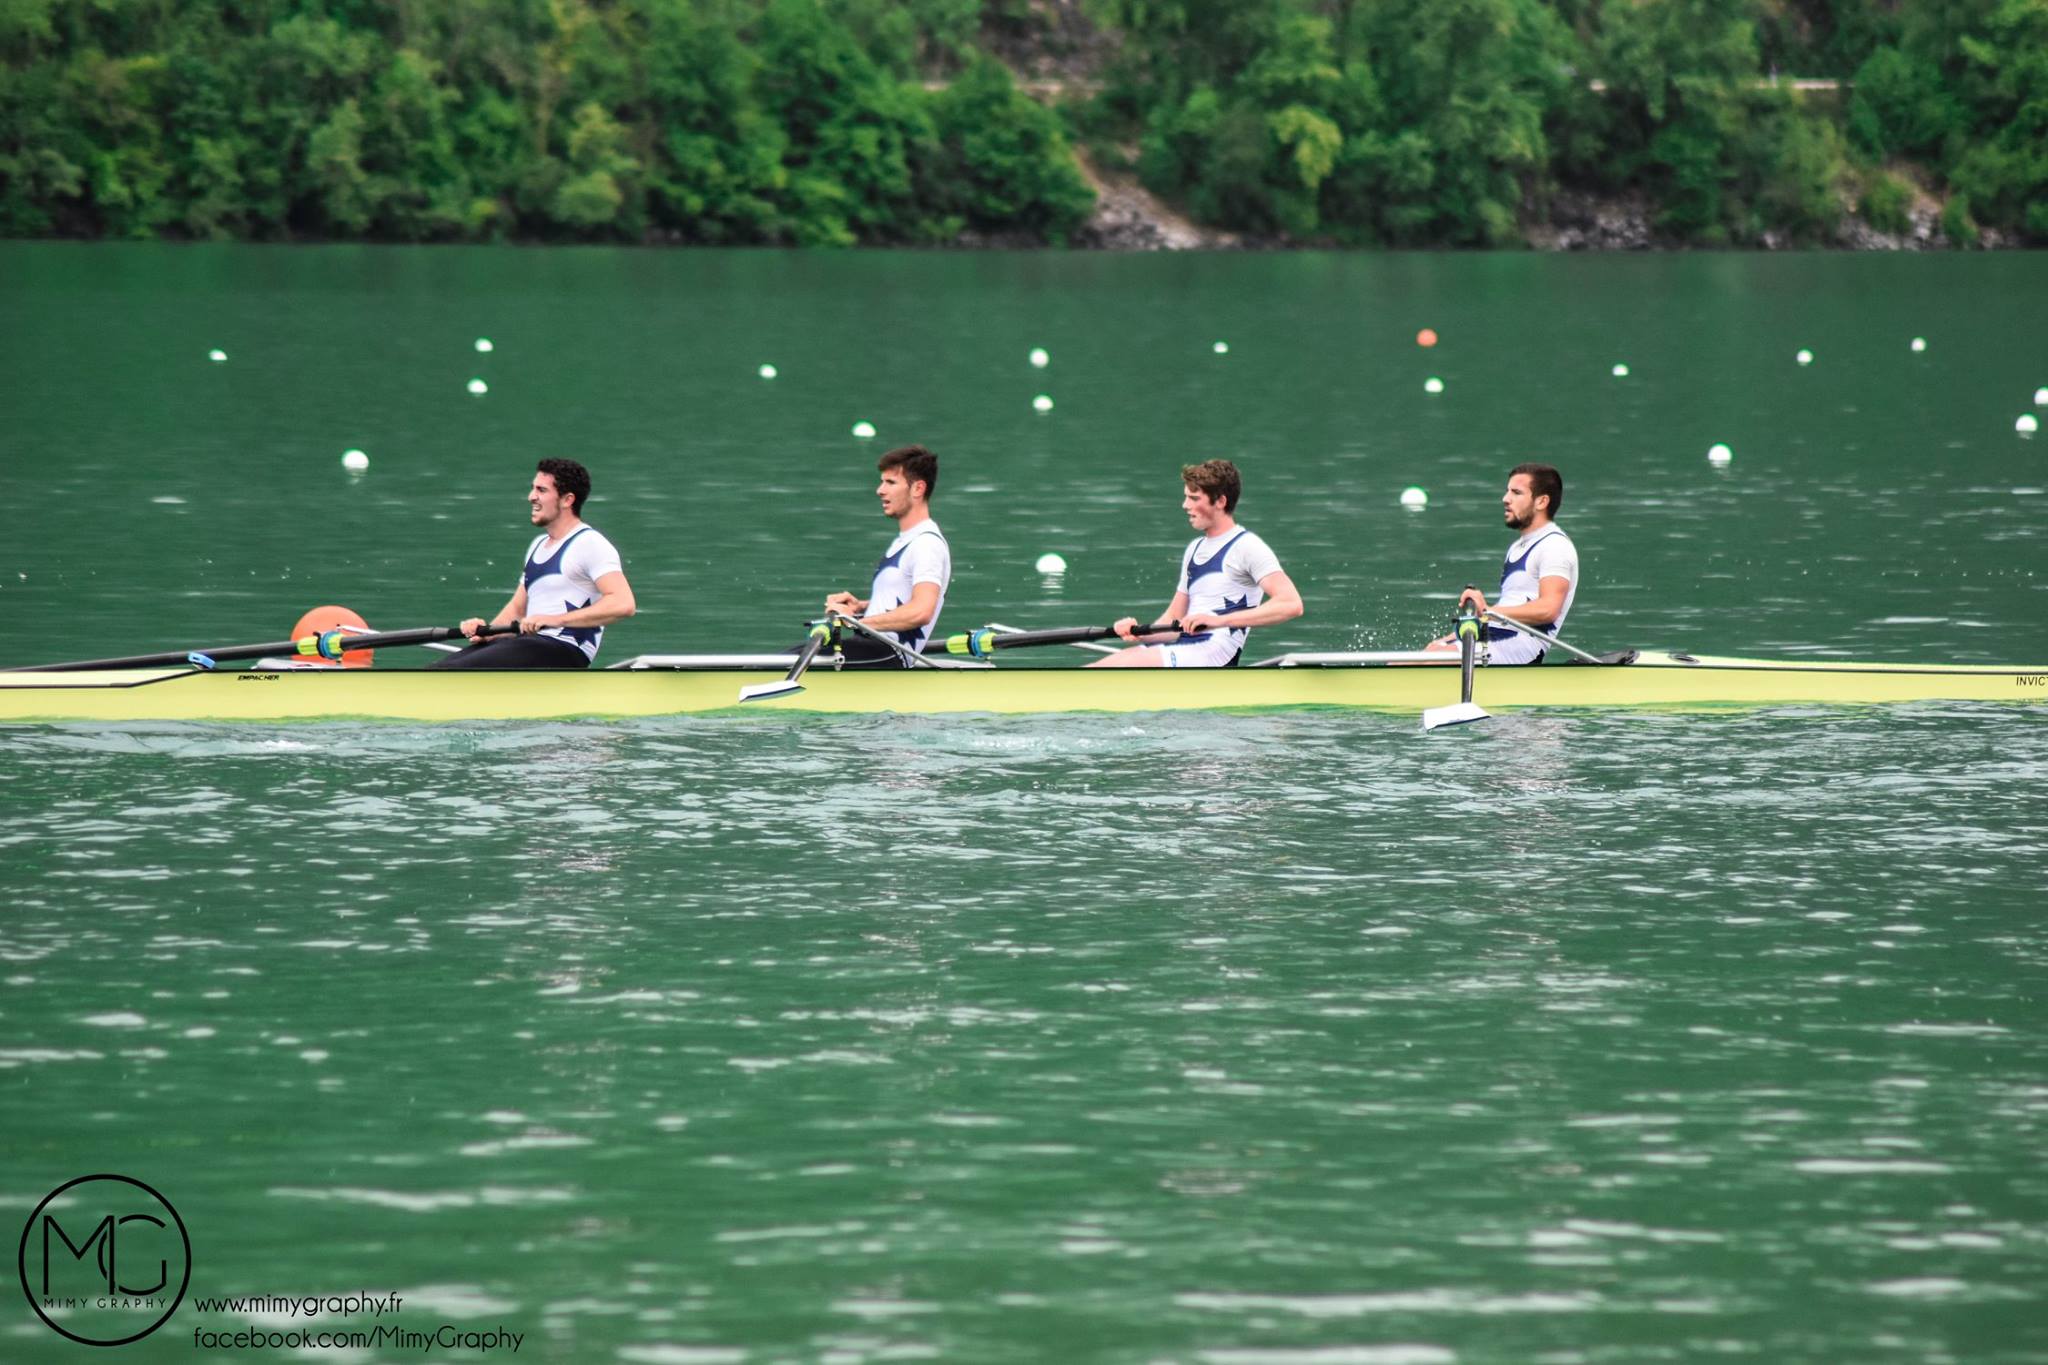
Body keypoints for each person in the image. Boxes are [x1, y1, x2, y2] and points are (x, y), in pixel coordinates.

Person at [1090, 459, 1304, 668]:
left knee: (1127, 661)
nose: (1185, 505)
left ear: (1220, 502)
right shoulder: (1195, 548)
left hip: (1213, 656)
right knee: (1127, 656)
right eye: (1186, 497)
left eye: (1194, 498)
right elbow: (1174, 620)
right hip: (1186, 650)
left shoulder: (1247, 546)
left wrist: (1219, 621)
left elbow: (1291, 604)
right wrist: (1138, 632)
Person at [433, 459, 636, 669]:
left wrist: (556, 620)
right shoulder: (538, 545)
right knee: (435, 669)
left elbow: (623, 604)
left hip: (563, 650)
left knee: (448, 672)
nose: (531, 497)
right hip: (529, 645)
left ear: (567, 500)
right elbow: (517, 609)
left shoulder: (590, 543)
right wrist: (487, 632)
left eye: (541, 490)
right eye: (533, 489)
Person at [814, 445, 951, 667]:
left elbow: (921, 610)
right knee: (781, 659)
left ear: (918, 488)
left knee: (776, 663)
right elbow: (904, 598)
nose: (880, 490)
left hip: (887, 655)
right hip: (872, 649)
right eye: (882, 482)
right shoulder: (905, 541)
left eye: (890, 482)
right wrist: (861, 607)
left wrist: (854, 622)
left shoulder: (926, 544)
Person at [1430, 462, 1577, 665]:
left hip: (1523, 645)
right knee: (1426, 653)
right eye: (1508, 491)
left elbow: (1549, 609)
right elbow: (1509, 605)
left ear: (1541, 501)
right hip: (1496, 635)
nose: (1505, 499)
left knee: (1432, 659)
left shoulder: (1554, 546)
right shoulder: (1517, 547)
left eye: (1516, 493)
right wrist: (1450, 638)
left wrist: (1488, 611)